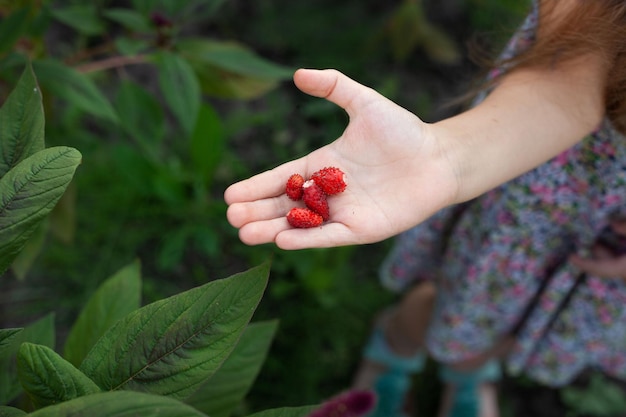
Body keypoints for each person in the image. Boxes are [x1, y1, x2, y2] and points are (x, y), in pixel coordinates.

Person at [225, 0, 626, 415]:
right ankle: (398, 343)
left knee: (515, 323)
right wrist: (446, 157)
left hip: (610, 246)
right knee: (465, 296)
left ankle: (470, 367)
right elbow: (562, 86)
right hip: (543, 192)